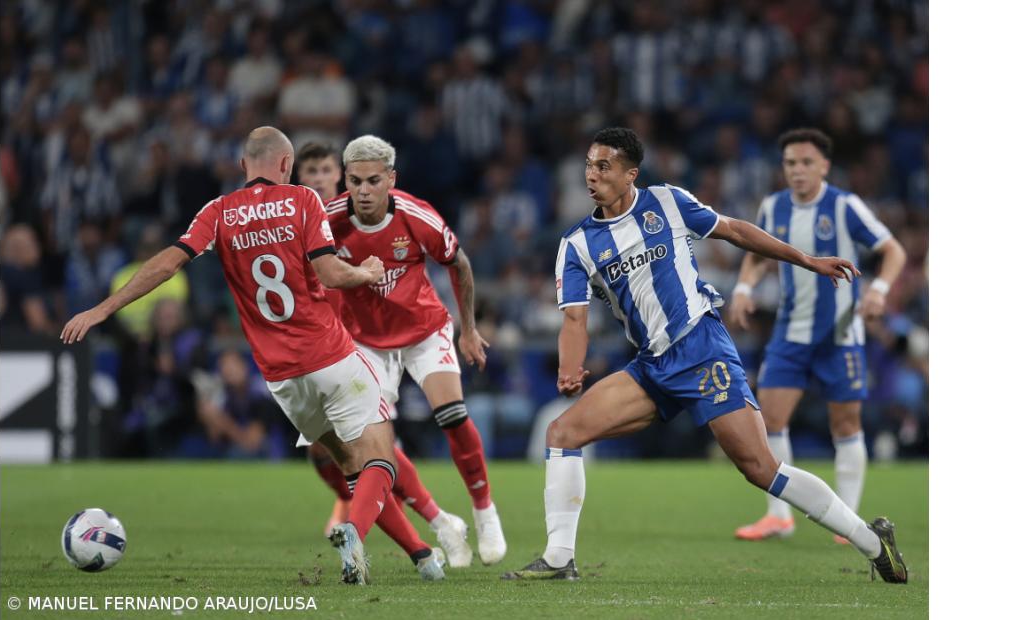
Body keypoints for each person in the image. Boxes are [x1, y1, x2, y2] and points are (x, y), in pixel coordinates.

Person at [503, 128, 907, 583]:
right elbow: (574, 320)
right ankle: (559, 559)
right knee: (562, 432)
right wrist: (569, 369)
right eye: (589, 165)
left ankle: (873, 543)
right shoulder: (576, 244)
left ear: (630, 174)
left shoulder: (667, 202)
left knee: (760, 469)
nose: (591, 175)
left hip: (702, 349)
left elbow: (734, 230)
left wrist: (808, 260)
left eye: (603, 166)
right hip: (652, 366)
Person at [62, 126, 444, 585]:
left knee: (348, 467)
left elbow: (168, 263)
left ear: (244, 166)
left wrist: (103, 308)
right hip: (330, 353)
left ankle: (423, 557)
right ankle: (354, 531)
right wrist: (364, 272)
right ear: (286, 165)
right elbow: (330, 272)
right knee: (381, 457)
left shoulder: (218, 212)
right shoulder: (303, 200)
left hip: (282, 377)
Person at [321, 134, 508, 565]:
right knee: (376, 449)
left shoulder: (415, 215)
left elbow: (459, 265)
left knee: (452, 414)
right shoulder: (329, 220)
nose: (363, 191)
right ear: (345, 180)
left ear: (391, 179)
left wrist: (468, 330)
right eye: (354, 181)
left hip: (424, 330)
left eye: (372, 180)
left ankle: (484, 510)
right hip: (366, 342)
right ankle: (441, 522)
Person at [731, 128, 907, 543]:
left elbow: (893, 250)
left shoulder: (845, 206)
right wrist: (743, 287)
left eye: (807, 163)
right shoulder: (773, 207)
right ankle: (779, 517)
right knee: (769, 420)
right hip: (789, 335)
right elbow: (757, 255)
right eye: (791, 163)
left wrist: (879, 290)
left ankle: (847, 521)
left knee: (845, 424)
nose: (798, 171)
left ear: (824, 166)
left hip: (840, 335)